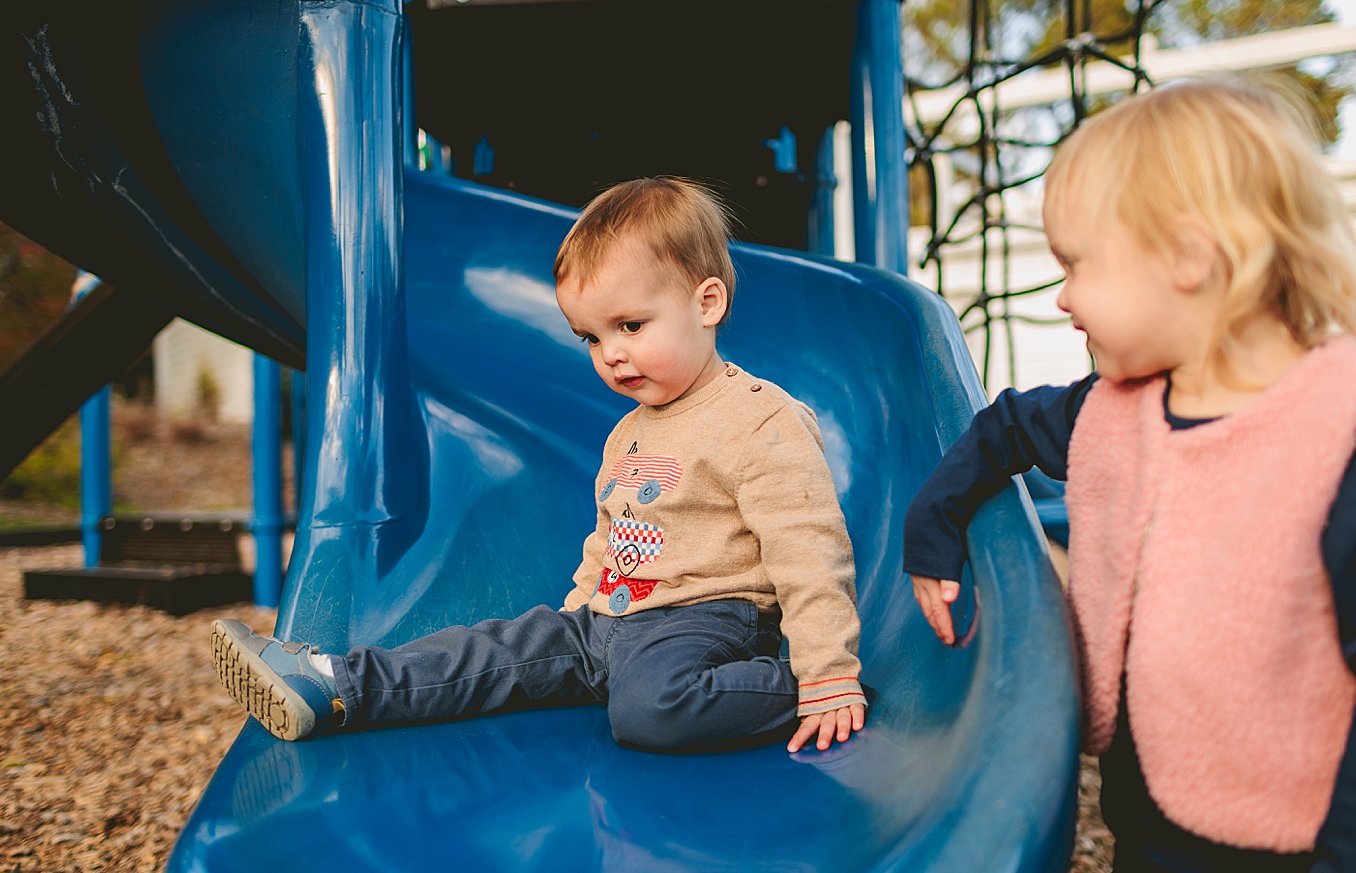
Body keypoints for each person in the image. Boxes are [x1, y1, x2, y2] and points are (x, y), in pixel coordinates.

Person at [904, 75, 1356, 873]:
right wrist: (936, 529)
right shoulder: (1114, 406)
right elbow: (998, 428)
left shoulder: (1332, 437)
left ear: (1189, 258)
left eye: (1078, 265)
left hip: (1284, 869)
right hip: (1151, 835)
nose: (1064, 298)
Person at [212, 177, 868, 755]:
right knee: (493, 650)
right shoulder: (629, 433)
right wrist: (578, 613)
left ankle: (796, 687)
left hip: (705, 620)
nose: (610, 353)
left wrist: (826, 669)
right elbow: (612, 536)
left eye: (631, 326)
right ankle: (337, 685)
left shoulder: (757, 418)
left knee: (649, 710)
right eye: (591, 337)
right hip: (606, 620)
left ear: (707, 304)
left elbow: (808, 548)